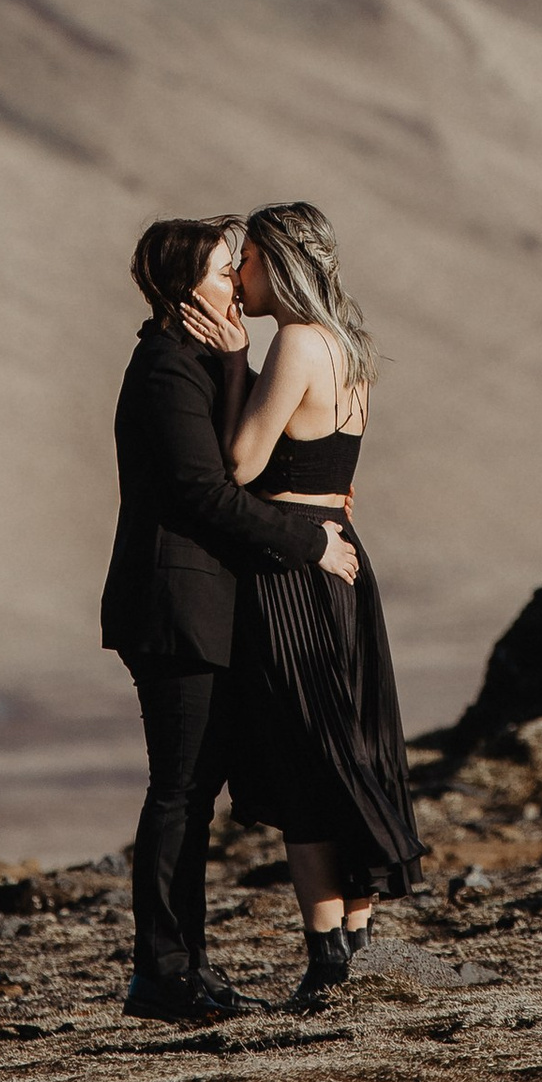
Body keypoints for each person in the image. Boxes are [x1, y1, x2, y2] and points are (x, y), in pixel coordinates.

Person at [101, 215, 359, 1025]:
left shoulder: (202, 357)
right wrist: (308, 541)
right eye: (223, 271)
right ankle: (165, 975)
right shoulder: (167, 369)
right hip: (173, 607)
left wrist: (237, 356)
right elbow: (207, 492)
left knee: (194, 791)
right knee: (179, 793)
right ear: (186, 289)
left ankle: (182, 971)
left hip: (205, 604)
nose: (237, 285)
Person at [226, 199, 423, 1011]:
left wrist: (231, 362)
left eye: (246, 261)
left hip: (294, 568)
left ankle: (327, 957)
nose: (237, 277)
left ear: (280, 263)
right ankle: (359, 943)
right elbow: (341, 477)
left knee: (308, 754)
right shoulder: (351, 350)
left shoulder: (297, 344)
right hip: (344, 553)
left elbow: (241, 462)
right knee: (353, 737)